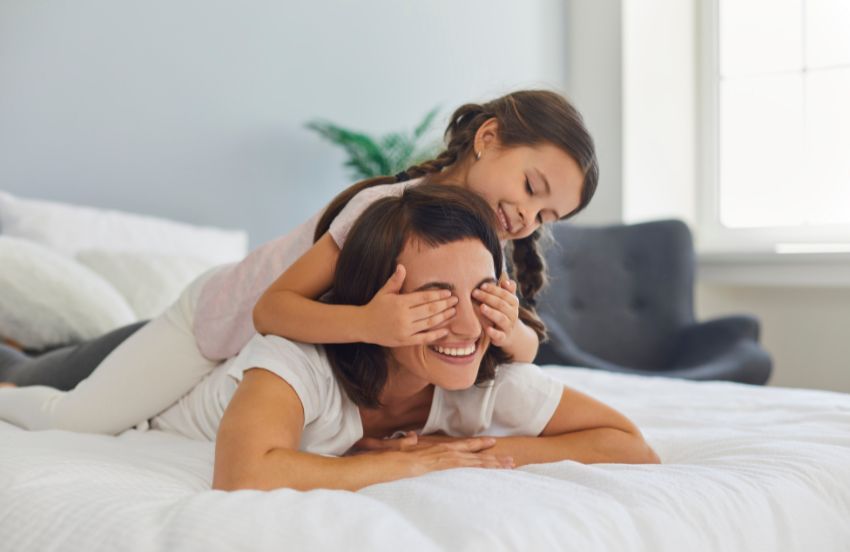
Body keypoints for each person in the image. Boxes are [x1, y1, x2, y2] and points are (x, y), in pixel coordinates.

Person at [0, 90, 599, 435]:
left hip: (249, 355)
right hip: (214, 324)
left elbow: (516, 355)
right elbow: (271, 308)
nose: (528, 217)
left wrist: (513, 331)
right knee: (80, 419)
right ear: (489, 137)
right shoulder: (382, 209)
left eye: (547, 217)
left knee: (93, 369)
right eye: (531, 186)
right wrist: (372, 324)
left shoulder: (486, 247)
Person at [150, 184, 657, 490]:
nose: (467, 326)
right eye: (434, 300)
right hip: (164, 384)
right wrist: (395, 465)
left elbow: (630, 445)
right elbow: (243, 475)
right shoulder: (292, 360)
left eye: (481, 294)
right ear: (374, 302)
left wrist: (452, 449)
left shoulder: (486, 378)